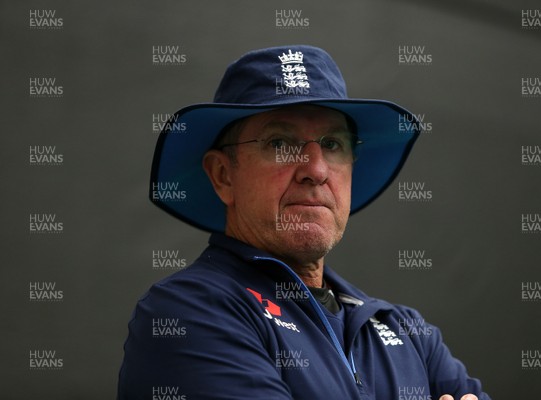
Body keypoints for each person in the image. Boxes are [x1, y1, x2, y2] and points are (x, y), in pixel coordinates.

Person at [118, 45, 491, 400]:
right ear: (223, 176)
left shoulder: (408, 332)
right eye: (280, 143)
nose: (315, 170)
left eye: (332, 145)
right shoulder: (187, 312)